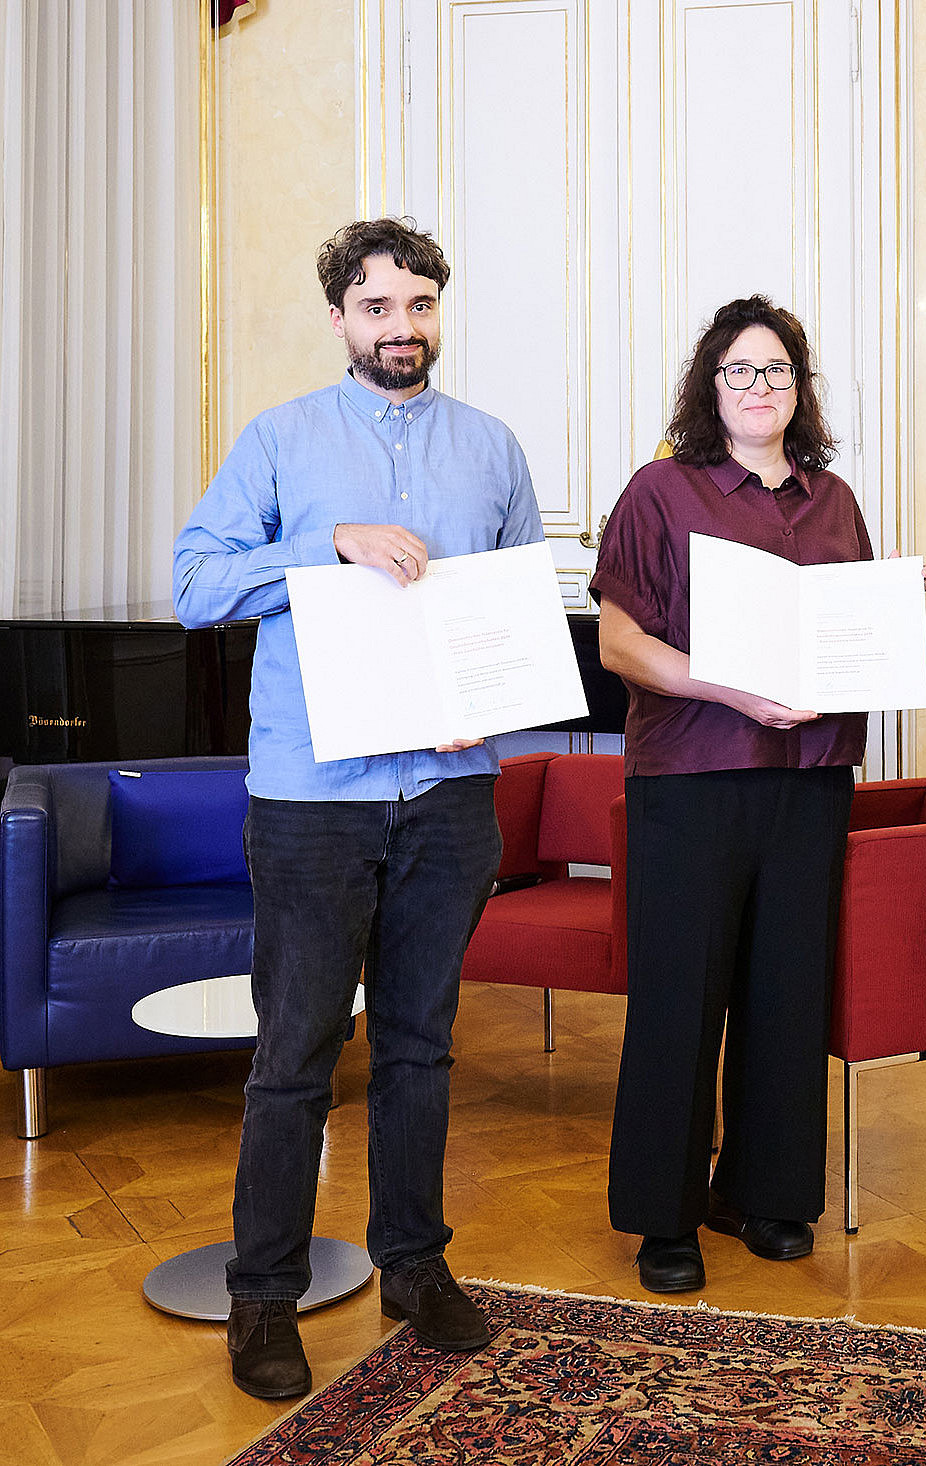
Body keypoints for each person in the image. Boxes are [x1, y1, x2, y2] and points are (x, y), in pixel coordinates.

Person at [175, 217, 543, 1399]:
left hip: (448, 793)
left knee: (424, 1045)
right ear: (339, 316)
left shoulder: (492, 447)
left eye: (420, 305)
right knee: (294, 1053)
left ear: (441, 311)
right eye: (378, 308)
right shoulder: (280, 440)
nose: (402, 328)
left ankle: (414, 1264)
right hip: (311, 800)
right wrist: (321, 543)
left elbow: (517, 611)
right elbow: (191, 586)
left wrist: (487, 698)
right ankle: (264, 1293)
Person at [593, 295, 926, 1293]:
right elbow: (619, 641)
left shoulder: (834, 501)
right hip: (690, 777)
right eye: (739, 370)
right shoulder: (660, 490)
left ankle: (765, 1192)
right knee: (680, 998)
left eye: (775, 370)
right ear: (711, 384)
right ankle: (666, 1213)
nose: (758, 387)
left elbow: (853, 635)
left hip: (810, 778)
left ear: (799, 388)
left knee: (788, 991)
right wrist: (728, 683)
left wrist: (882, 629)